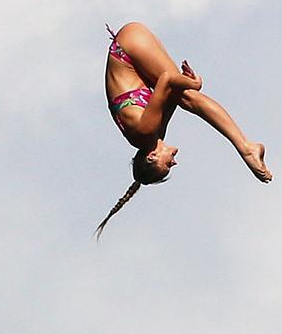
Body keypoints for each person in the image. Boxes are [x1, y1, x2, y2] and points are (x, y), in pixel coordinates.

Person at [96, 22, 272, 238]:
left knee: (189, 96)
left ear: (152, 156)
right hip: (130, 49)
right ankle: (245, 147)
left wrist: (192, 84)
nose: (174, 162)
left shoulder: (146, 130)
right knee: (185, 96)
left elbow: (166, 80)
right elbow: (170, 96)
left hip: (129, 46)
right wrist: (185, 83)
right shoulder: (153, 135)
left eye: (167, 165)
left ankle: (246, 148)